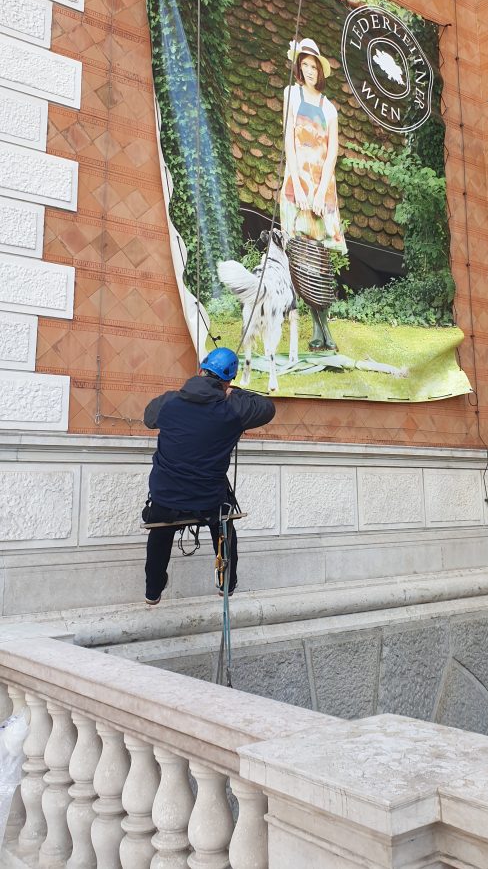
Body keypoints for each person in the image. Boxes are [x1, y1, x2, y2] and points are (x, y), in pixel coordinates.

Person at [143, 346, 275, 605]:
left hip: (166, 497)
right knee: (224, 523)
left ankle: (153, 590)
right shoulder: (232, 409)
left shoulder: (169, 402)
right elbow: (266, 407)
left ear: (201, 370)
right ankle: (227, 582)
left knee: (159, 530)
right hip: (207, 499)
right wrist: (233, 394)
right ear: (227, 381)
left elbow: (149, 417)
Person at [281, 37, 348, 351]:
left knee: (320, 260)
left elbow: (332, 151)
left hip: (323, 188)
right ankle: (317, 331)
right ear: (299, 67)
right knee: (302, 257)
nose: (309, 71)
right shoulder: (291, 95)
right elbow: (289, 142)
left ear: (320, 70)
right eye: (304, 65)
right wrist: (299, 185)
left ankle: (325, 331)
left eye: (313, 66)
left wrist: (320, 193)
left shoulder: (329, 108)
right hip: (297, 185)